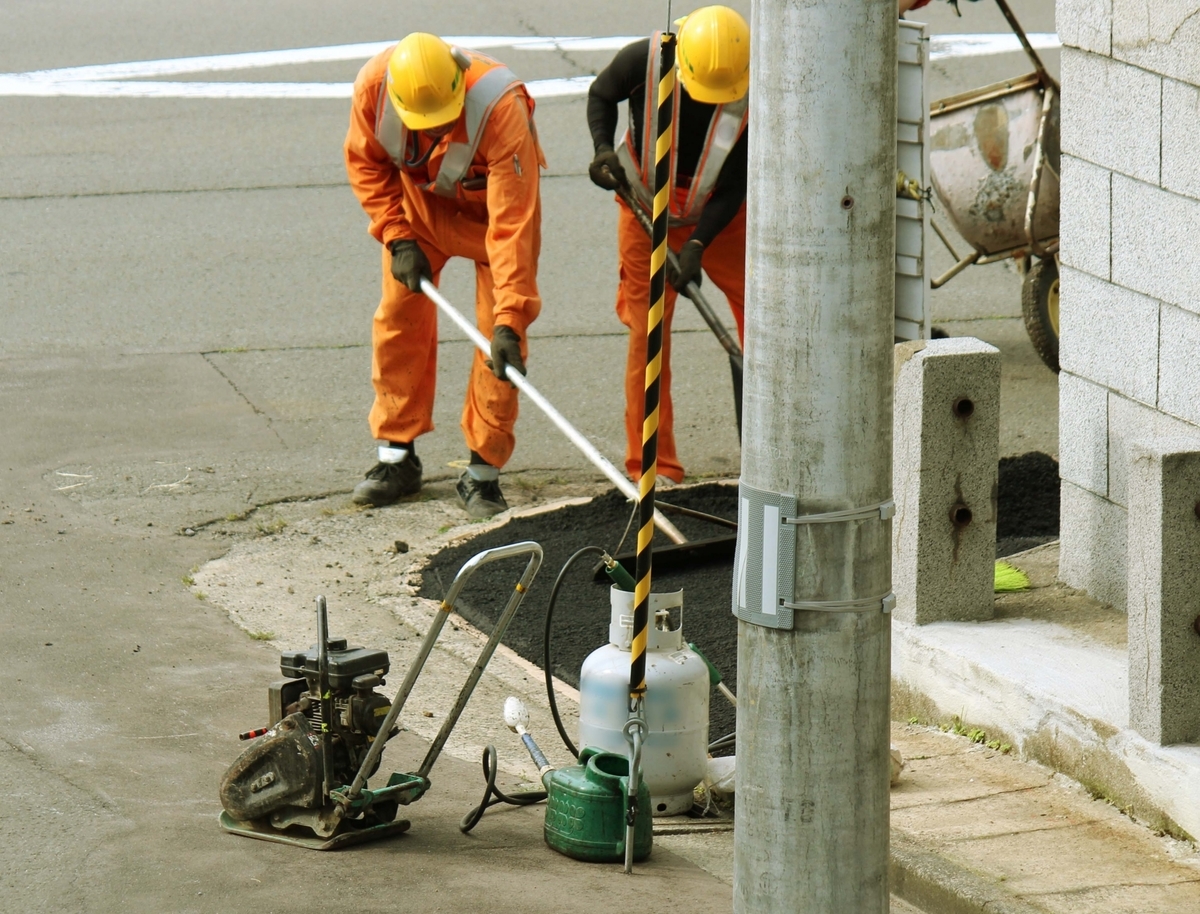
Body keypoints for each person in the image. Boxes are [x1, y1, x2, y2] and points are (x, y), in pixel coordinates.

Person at [344, 32, 545, 517]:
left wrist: (510, 320)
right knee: (398, 320)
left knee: (497, 344)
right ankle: (397, 457)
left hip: (491, 222)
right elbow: (366, 164)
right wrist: (397, 236)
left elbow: (513, 224)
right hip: (417, 215)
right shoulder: (374, 88)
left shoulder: (501, 109)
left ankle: (482, 472)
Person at [586, 6, 749, 484]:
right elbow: (601, 95)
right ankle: (653, 471)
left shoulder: (758, 87)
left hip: (723, 219)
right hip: (644, 211)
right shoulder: (643, 61)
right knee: (647, 334)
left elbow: (738, 183)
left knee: (765, 329)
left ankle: (767, 464)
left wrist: (698, 243)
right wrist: (601, 149)